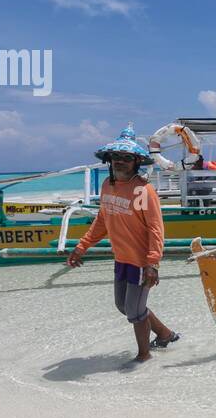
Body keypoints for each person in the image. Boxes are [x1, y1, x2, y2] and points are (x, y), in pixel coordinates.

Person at [67, 126, 179, 363]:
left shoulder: (143, 190)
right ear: (109, 159)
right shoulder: (108, 184)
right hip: (121, 258)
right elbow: (102, 220)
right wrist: (82, 245)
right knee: (123, 306)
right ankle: (165, 334)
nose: (121, 162)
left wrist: (153, 263)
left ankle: (143, 356)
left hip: (141, 262)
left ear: (137, 162)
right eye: (117, 157)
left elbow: (155, 229)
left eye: (127, 158)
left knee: (135, 312)